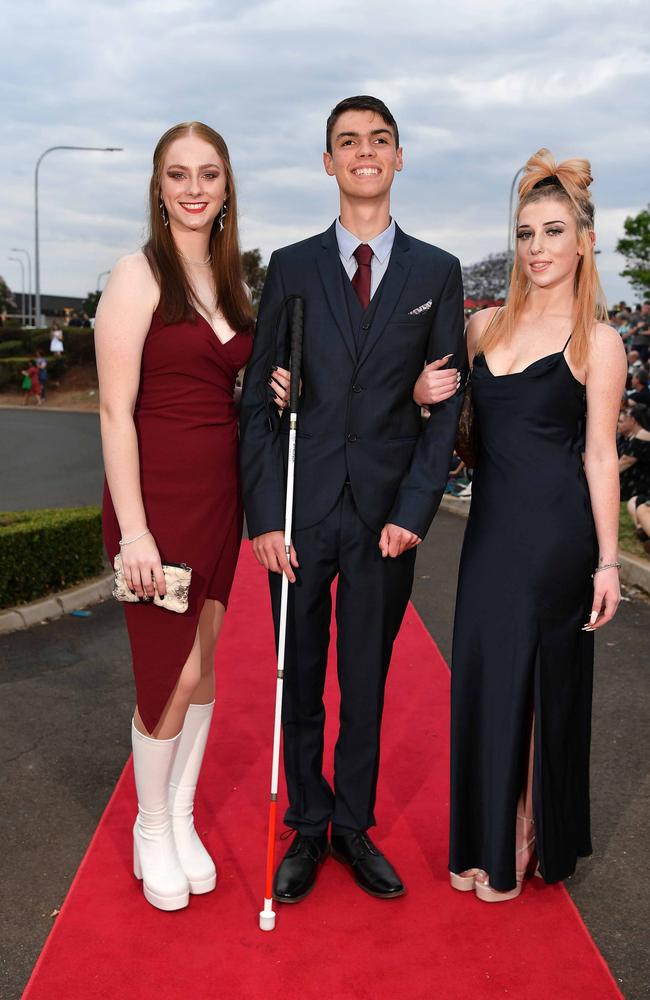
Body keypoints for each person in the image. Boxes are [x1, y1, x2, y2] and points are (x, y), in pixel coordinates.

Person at [240, 95, 465, 904]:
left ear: (398, 158)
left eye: (379, 140)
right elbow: (257, 405)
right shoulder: (292, 268)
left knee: (365, 682)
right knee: (299, 676)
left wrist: (415, 508)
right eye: (347, 142)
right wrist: (264, 516)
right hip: (300, 513)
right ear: (327, 162)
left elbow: (444, 410)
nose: (364, 152)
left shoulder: (436, 272)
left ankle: (352, 825)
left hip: (384, 522)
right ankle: (305, 823)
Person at [415, 148, 627, 901]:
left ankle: (522, 834)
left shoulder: (598, 342)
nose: (537, 248)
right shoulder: (480, 330)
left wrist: (608, 562)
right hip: (490, 533)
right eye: (526, 232)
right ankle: (484, 833)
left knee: (539, 684)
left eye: (553, 231)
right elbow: (451, 428)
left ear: (583, 242)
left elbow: (602, 456)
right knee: (484, 674)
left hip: (558, 538)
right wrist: (418, 391)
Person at [96, 121, 289, 912]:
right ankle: (150, 826)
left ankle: (179, 815)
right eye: (179, 175)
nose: (194, 188)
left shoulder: (233, 280)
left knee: (205, 663)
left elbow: (235, 389)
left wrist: (272, 390)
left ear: (226, 186)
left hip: (219, 500)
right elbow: (112, 412)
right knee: (167, 671)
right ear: (158, 186)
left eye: (208, 173)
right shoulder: (135, 275)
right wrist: (134, 531)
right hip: (157, 502)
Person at [618, 403, 650, 500]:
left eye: (625, 418)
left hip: (639, 486)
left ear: (633, 420)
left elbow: (624, 462)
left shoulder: (643, 437)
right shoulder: (634, 437)